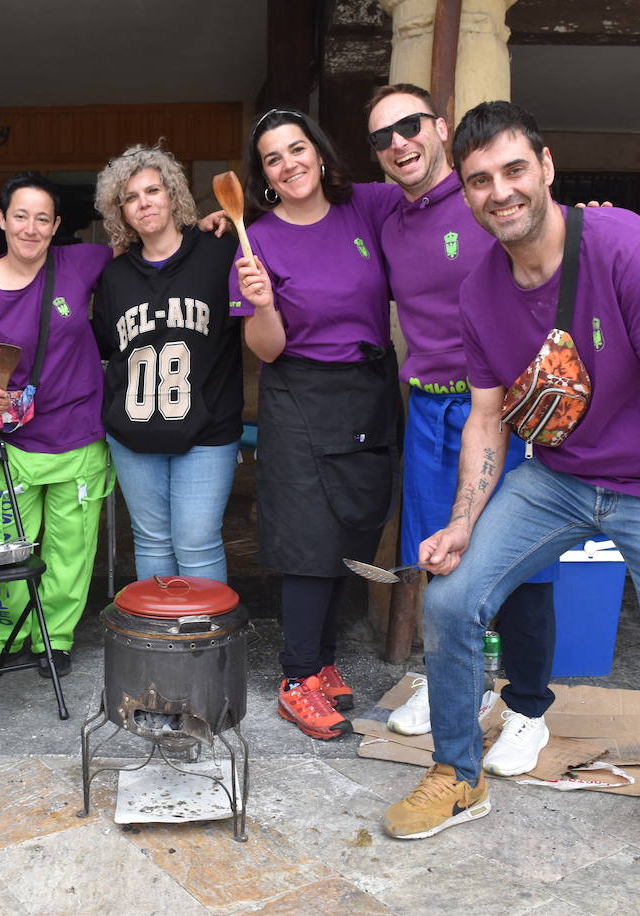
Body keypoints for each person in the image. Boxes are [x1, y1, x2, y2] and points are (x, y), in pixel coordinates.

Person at [381, 102, 640, 865]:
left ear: (546, 167)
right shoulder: (480, 291)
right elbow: (487, 420)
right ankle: (456, 772)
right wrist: (462, 523)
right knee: (448, 599)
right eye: (479, 180)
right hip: (560, 479)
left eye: (514, 170)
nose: (499, 191)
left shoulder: (628, 250)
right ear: (466, 191)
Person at [367, 83, 559, 777]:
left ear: (439, 128)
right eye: (382, 138)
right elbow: (309, 205)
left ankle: (530, 709)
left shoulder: (489, 199)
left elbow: (556, 242)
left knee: (523, 566)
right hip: (427, 406)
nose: (398, 144)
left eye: (410, 126)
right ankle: (464, 688)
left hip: (504, 408)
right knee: (435, 557)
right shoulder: (386, 213)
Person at [231, 109, 403, 740]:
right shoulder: (258, 241)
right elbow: (268, 349)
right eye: (274, 158)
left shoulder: (366, 207)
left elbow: (435, 198)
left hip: (367, 389)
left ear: (320, 152)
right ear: (265, 176)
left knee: (351, 529)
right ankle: (297, 676)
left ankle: (324, 661)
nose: (289, 164)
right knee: (308, 538)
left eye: (296, 149)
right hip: (300, 393)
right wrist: (263, 302)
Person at [0, 172, 115, 678]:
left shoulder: (80, 261)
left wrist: (205, 226)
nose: (30, 227)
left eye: (43, 218)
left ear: (57, 225)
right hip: (15, 442)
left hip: (80, 435)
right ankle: (0, 634)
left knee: (71, 549)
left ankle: (53, 638)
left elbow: (144, 243)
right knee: (0, 543)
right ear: (2, 219)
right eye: (20, 215)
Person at [90, 143, 242, 583]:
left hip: (207, 431)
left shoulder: (219, 253)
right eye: (131, 197)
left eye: (152, 190)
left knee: (197, 540)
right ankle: (160, 645)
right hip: (134, 432)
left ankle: (205, 642)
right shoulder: (114, 276)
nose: (144, 203)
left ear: (173, 194)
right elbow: (105, 346)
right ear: (121, 212)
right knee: (152, 539)